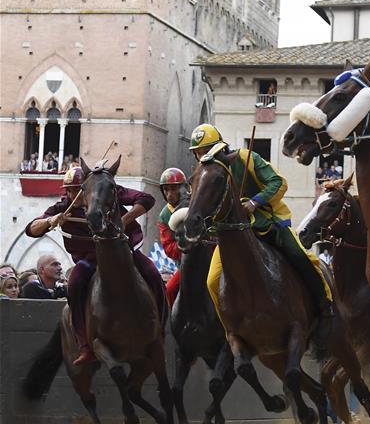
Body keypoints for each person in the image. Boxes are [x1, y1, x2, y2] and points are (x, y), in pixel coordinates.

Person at [188, 124, 334, 337]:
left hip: (268, 221)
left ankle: (325, 308)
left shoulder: (246, 157)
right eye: (198, 153)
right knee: (212, 280)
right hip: (232, 233)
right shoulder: (203, 173)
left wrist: (254, 203)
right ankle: (229, 331)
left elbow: (279, 183)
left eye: (204, 151)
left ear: (217, 148)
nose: (201, 156)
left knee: (299, 256)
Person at [25, 166, 166, 365]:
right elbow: (31, 229)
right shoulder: (64, 206)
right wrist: (50, 221)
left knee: (152, 273)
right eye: (69, 190)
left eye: (76, 190)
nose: (71, 194)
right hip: (90, 259)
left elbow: (146, 199)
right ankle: (84, 344)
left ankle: (160, 328)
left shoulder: (107, 193)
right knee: (74, 283)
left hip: (122, 252)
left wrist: (125, 219)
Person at [157, 167, 188, 307]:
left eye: (174, 189)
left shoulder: (197, 202)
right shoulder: (164, 216)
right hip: (185, 264)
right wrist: (186, 244)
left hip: (210, 256)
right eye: (166, 190)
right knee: (169, 290)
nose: (169, 194)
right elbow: (169, 248)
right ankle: (170, 326)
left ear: (183, 188)